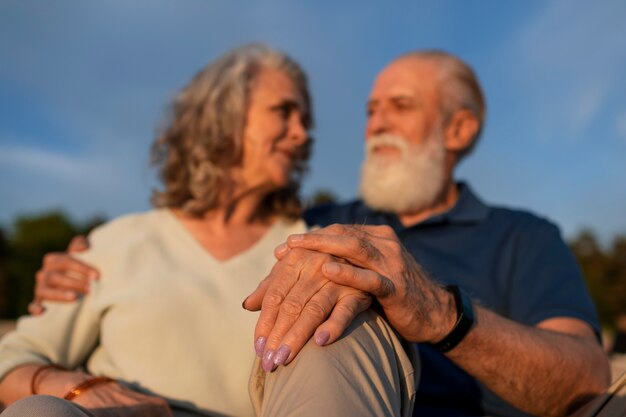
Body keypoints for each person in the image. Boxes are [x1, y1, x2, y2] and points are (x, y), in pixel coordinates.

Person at [28, 49, 610, 416]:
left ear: (458, 128)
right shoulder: (310, 226)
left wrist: (440, 314)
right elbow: (212, 236)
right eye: (370, 108)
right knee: (334, 303)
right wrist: (77, 263)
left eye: (399, 106)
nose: (375, 122)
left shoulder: (522, 236)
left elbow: (584, 377)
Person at [0, 44, 415, 417]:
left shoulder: (314, 251)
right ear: (224, 117)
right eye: (284, 111)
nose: (302, 134)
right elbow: (13, 359)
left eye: (305, 120)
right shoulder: (114, 243)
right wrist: (74, 387)